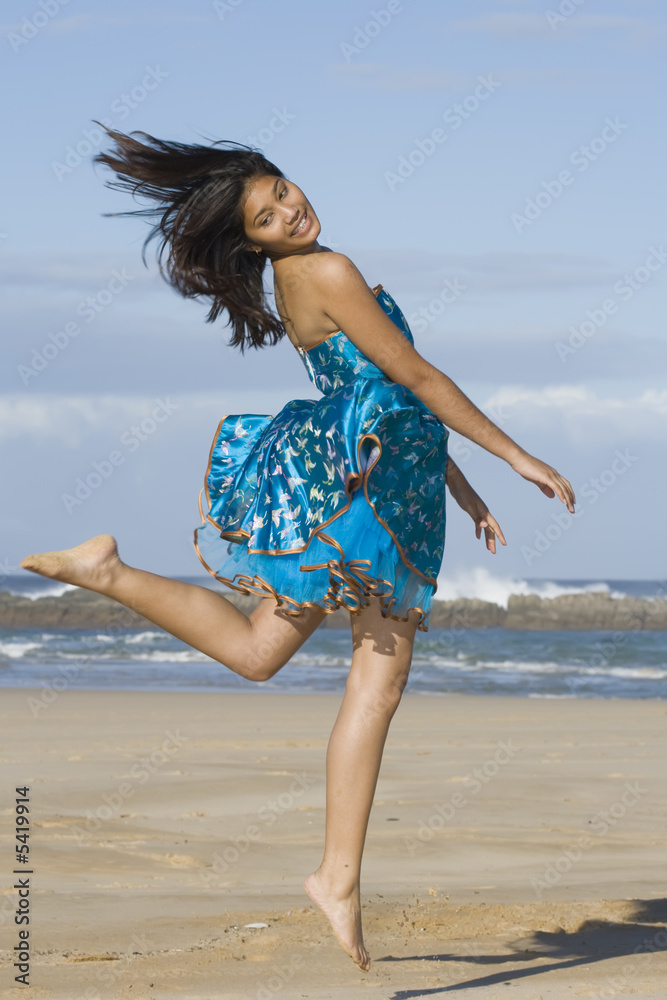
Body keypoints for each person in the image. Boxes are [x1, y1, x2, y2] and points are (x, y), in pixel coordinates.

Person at [20, 126, 576, 972]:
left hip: (388, 488)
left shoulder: (296, 275)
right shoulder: (326, 271)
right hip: (375, 504)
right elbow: (418, 380)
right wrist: (517, 454)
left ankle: (109, 571)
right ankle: (336, 877)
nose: (289, 209)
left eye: (282, 189)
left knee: (258, 650)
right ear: (251, 243)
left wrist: (462, 491)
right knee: (375, 684)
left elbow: (387, 397)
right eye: (268, 215)